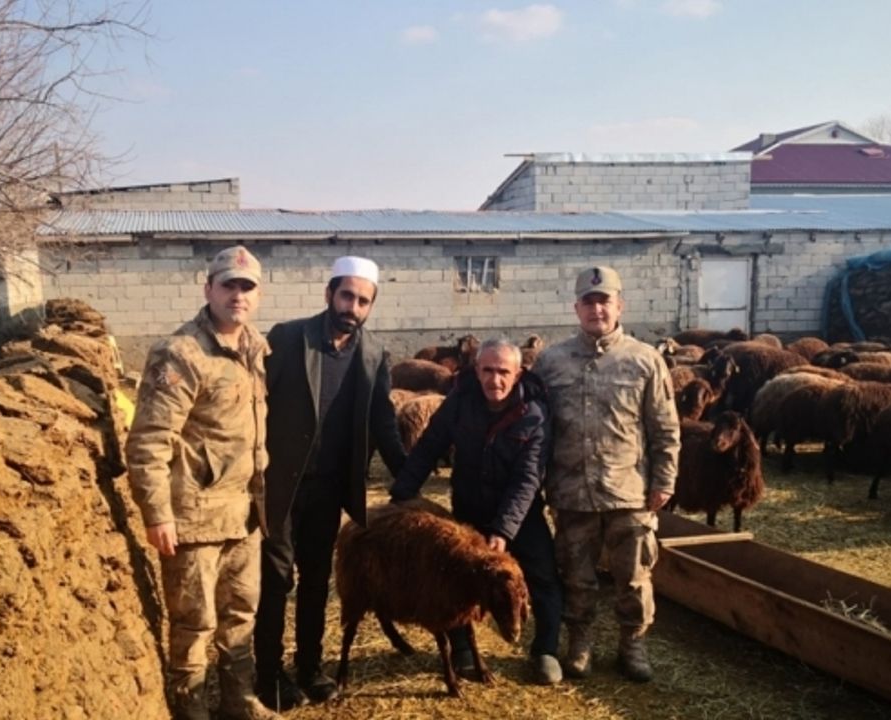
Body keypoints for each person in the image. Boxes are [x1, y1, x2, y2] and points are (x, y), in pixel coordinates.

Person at [125, 246, 279, 720]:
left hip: (245, 513)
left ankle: (240, 703)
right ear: (208, 288)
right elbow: (148, 440)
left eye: (246, 287)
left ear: (257, 295)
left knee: (239, 617)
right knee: (194, 622)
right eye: (228, 285)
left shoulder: (254, 347)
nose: (238, 295)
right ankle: (191, 710)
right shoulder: (181, 353)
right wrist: (158, 515)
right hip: (193, 517)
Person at [254, 256, 407, 709]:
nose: (352, 306)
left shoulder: (374, 354)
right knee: (276, 579)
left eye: (363, 300)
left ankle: (309, 667)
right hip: (280, 483)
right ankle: (268, 673)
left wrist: (409, 480)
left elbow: (384, 422)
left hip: (329, 490)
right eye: (346, 295)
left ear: (370, 306)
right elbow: (257, 402)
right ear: (329, 294)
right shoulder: (288, 337)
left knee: (317, 579)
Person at [531, 265, 681, 683]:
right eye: (588, 301)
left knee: (633, 578)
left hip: (628, 491)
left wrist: (664, 481)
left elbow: (665, 427)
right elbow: (537, 427)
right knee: (575, 577)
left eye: (605, 300)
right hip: (571, 491)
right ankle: (580, 643)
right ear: (576, 307)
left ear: (619, 305)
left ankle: (632, 644)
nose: (597, 308)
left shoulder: (644, 360)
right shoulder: (551, 362)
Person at [388, 338, 565, 685]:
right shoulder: (459, 402)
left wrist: (503, 530)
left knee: (542, 576)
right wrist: (401, 495)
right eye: (487, 370)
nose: (494, 380)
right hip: (468, 508)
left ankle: (546, 650)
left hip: (520, 514)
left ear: (517, 374)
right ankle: (463, 650)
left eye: (503, 372)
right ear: (476, 370)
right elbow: (429, 447)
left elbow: (528, 478)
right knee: (453, 579)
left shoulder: (534, 413)